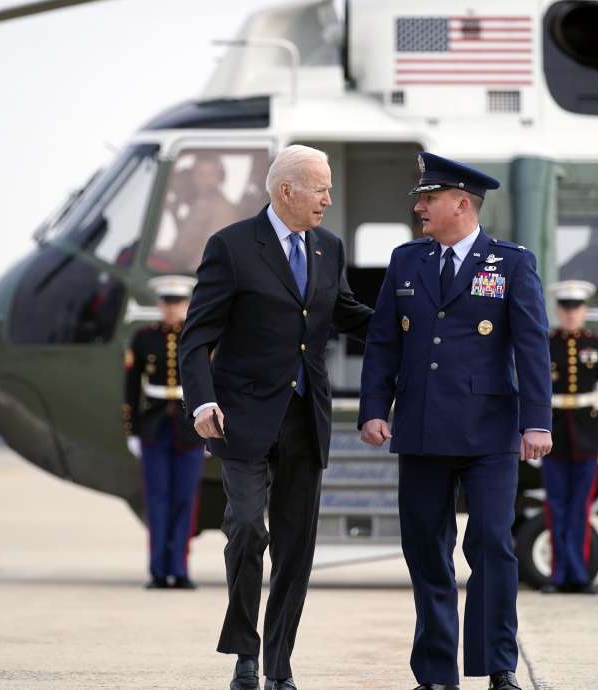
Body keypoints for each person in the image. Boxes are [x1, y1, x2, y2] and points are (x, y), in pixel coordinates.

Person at [178, 145, 372, 690]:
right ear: (286, 191)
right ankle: (244, 651)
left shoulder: (328, 249)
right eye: (321, 189)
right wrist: (201, 401)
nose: (329, 199)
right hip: (239, 418)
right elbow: (196, 339)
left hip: (305, 417)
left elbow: (345, 313)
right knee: (245, 528)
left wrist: (414, 324)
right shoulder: (233, 248)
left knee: (296, 547)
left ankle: (278, 667)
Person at [358, 152, 553, 690]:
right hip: (420, 428)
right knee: (426, 548)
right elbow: (382, 343)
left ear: (461, 203)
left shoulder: (510, 262)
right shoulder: (406, 261)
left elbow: (533, 346)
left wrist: (537, 421)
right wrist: (374, 409)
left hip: (489, 431)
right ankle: (436, 672)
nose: (419, 207)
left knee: (491, 543)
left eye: (429, 198)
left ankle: (498, 667)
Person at [122, 274, 205, 590]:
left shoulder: (198, 337)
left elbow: (212, 381)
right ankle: (158, 570)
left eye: (178, 303)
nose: (172, 309)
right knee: (157, 499)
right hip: (154, 426)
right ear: (159, 305)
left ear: (187, 305)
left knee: (186, 499)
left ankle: (180, 569)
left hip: (189, 427)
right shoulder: (143, 338)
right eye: (167, 303)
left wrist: (210, 427)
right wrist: (132, 430)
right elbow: (130, 387)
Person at [539, 280, 598, 595]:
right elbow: (534, 393)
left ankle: (579, 574)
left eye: (577, 309)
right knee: (555, 508)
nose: (571, 315)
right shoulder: (547, 343)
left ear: (584, 311)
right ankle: (559, 575)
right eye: (565, 308)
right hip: (554, 436)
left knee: (580, 510)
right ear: (558, 311)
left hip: (587, 437)